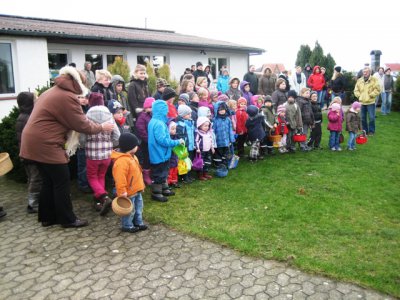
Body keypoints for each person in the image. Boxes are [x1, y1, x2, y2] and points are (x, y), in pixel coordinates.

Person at [19, 66, 115, 228]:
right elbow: (82, 124)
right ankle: (67, 219)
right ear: (77, 82)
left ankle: (47, 217)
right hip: (46, 143)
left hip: (32, 142)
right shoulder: (66, 97)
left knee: (49, 181)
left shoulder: (51, 91)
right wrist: (102, 127)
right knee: (62, 180)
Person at [80, 92, 120, 215]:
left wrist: (83, 145)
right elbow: (117, 135)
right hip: (107, 154)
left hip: (92, 154)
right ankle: (99, 202)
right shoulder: (110, 117)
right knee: (101, 176)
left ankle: (104, 197)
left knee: (92, 177)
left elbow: (82, 137)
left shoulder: (86, 117)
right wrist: (111, 143)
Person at [111, 133, 148, 233]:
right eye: (136, 145)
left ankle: (138, 222)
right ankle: (127, 225)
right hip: (128, 192)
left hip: (137, 189)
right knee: (129, 210)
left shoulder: (133, 157)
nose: (137, 147)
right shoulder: (121, 162)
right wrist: (122, 191)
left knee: (138, 208)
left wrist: (141, 185)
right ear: (130, 147)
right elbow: (120, 179)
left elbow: (137, 174)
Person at [148, 100, 183, 202]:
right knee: (159, 174)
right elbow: (162, 141)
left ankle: (164, 188)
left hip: (159, 153)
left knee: (164, 172)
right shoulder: (159, 124)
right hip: (159, 154)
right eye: (165, 109)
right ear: (162, 110)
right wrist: (176, 142)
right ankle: (156, 193)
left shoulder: (154, 121)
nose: (167, 111)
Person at [16, 92, 42, 213]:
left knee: (31, 177)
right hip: (31, 154)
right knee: (35, 178)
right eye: (35, 99)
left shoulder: (23, 116)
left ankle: (33, 201)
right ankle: (33, 205)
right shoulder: (28, 118)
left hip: (26, 153)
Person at [354, 67, 381, 136]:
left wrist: (371, 95)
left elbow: (378, 89)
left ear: (370, 72)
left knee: (371, 117)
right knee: (363, 118)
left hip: (370, 102)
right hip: (362, 102)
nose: (365, 73)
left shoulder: (374, 80)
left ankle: (371, 131)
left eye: (366, 72)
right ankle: (365, 131)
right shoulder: (359, 80)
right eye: (364, 72)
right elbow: (356, 90)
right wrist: (359, 96)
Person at [135, 97, 155, 185]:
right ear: (145, 107)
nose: (151, 109)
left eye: (152, 107)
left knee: (151, 158)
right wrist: (148, 139)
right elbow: (141, 130)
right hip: (145, 142)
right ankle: (146, 175)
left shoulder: (152, 116)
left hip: (152, 141)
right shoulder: (142, 117)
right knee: (146, 158)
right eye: (150, 107)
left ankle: (151, 174)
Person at [176, 104, 195, 183]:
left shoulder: (191, 122)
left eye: (190, 113)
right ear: (183, 115)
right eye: (188, 114)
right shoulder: (180, 124)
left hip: (191, 145)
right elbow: (180, 136)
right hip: (184, 146)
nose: (190, 115)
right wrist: (184, 143)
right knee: (184, 162)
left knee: (190, 160)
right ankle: (184, 177)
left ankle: (189, 175)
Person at [213, 102, 235, 168]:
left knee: (226, 153)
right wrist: (213, 141)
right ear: (216, 110)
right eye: (220, 110)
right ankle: (218, 164)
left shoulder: (228, 119)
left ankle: (225, 163)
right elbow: (213, 131)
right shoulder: (215, 120)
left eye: (223, 109)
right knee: (218, 153)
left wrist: (231, 139)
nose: (222, 111)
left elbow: (230, 130)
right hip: (218, 141)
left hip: (226, 141)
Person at [167, 121, 180, 188]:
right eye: (172, 129)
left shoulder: (176, 136)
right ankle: (169, 182)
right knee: (170, 170)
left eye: (175, 129)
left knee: (175, 169)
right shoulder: (168, 138)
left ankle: (174, 181)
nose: (174, 130)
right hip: (170, 156)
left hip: (175, 156)